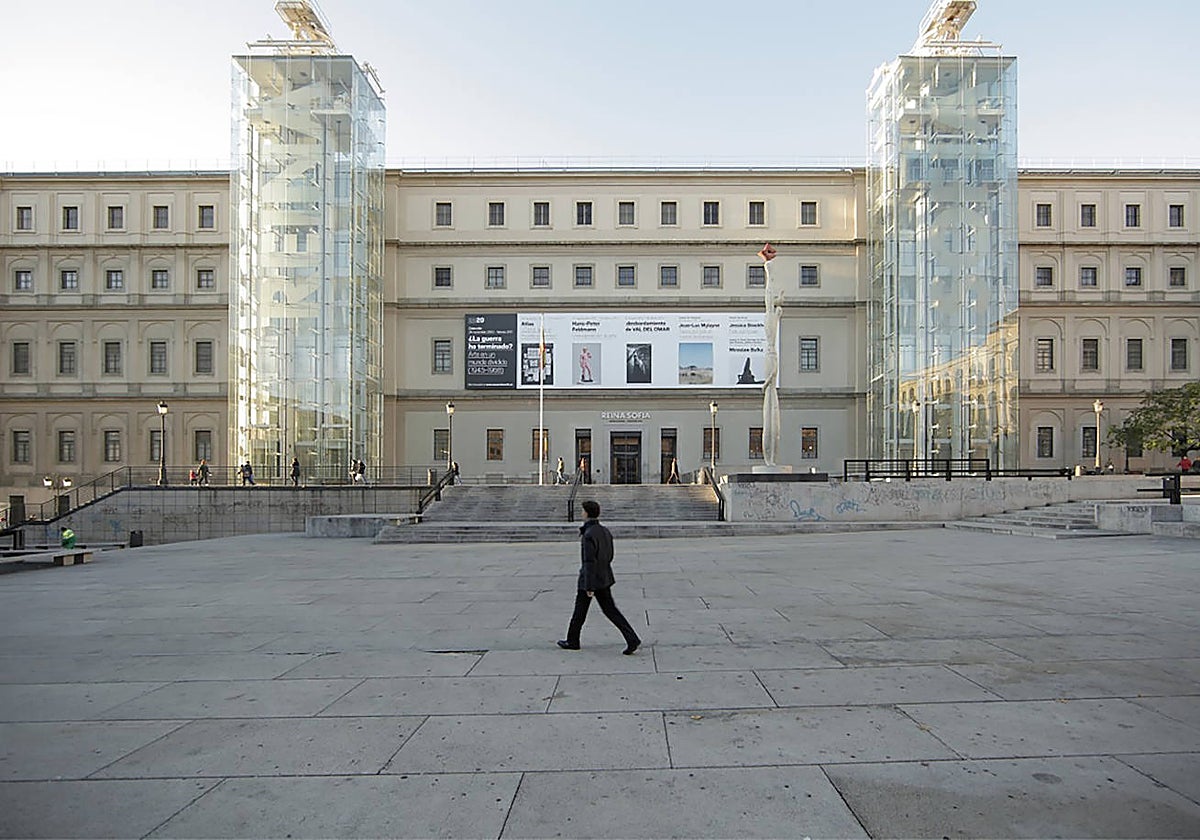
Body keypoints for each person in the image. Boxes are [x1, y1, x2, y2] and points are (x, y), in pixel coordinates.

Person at [558, 500, 641, 655]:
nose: (581, 513)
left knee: (580, 611)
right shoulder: (604, 531)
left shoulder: (588, 534)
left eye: (582, 511)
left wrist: (589, 586)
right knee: (611, 611)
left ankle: (572, 641)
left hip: (591, 579)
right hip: (604, 576)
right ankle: (632, 638)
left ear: (587, 513)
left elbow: (588, 561)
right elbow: (609, 555)